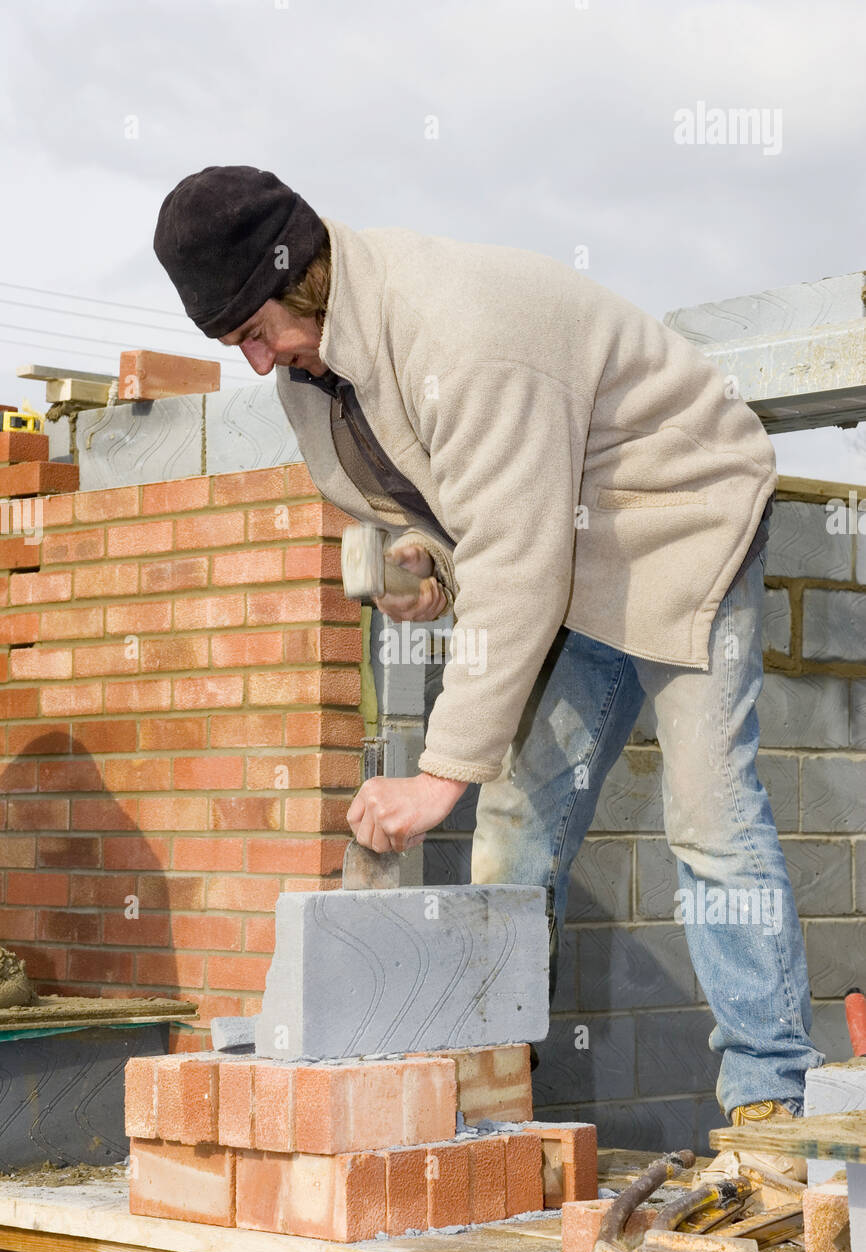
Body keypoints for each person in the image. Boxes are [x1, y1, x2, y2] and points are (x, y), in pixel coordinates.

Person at [154, 164, 824, 1165]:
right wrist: (421, 561)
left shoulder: (458, 328)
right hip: (563, 552)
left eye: (253, 332)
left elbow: (515, 553)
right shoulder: (312, 368)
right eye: (231, 345)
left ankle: (770, 1108)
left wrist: (437, 771)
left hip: (680, 517)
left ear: (302, 276)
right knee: (514, 836)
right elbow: (438, 507)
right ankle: (498, 1101)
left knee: (707, 811)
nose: (254, 364)